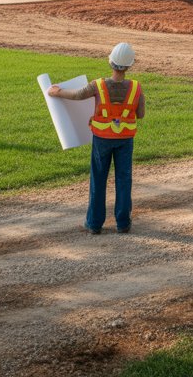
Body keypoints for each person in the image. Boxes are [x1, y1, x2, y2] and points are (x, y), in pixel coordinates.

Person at [49, 42, 145, 235]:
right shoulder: (136, 88)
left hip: (102, 139)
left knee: (99, 179)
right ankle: (123, 223)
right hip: (125, 139)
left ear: (110, 62)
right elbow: (140, 114)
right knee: (124, 179)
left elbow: (77, 95)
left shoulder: (98, 85)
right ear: (129, 66)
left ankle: (94, 224)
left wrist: (57, 92)